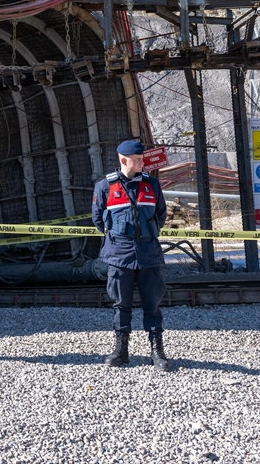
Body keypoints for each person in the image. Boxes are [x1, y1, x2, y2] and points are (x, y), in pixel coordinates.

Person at [91, 139, 171, 371]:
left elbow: (161, 215)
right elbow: (98, 220)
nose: (141, 163)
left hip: (149, 254)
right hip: (119, 255)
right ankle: (120, 350)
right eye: (136, 160)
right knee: (121, 304)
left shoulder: (152, 185)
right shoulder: (104, 187)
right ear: (123, 160)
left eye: (142, 159)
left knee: (153, 305)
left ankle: (157, 352)